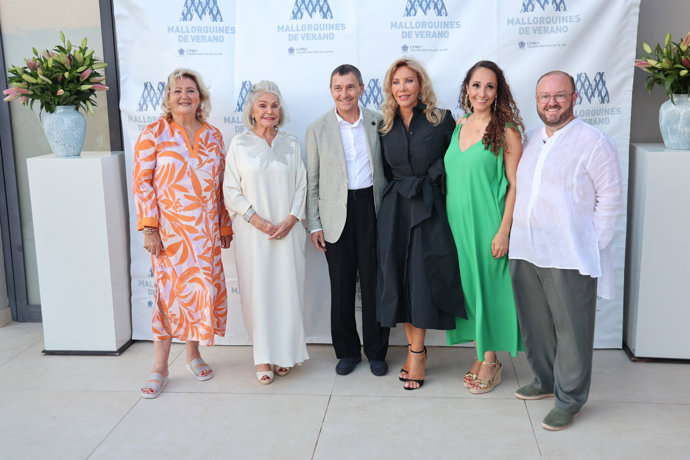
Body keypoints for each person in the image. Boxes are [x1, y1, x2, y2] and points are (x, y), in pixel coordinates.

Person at [509, 70, 624, 430]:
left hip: (569, 254)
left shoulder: (594, 142)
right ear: (537, 100)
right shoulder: (529, 139)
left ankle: (570, 399)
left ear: (574, 98)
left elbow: (611, 198)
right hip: (526, 248)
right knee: (535, 324)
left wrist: (591, 244)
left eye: (559, 95)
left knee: (572, 329)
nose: (552, 102)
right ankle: (544, 380)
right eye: (544, 96)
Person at [133, 68, 232, 399]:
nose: (184, 96)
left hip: (204, 234)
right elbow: (142, 184)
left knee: (198, 292)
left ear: (200, 97)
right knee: (166, 297)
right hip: (169, 236)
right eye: (177, 91)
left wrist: (224, 225)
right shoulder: (153, 134)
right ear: (168, 97)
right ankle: (160, 367)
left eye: (190, 90)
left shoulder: (214, 136)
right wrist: (150, 228)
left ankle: (193, 355)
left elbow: (220, 185)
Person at [377, 58, 466, 390]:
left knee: (421, 281)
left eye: (409, 81)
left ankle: (416, 353)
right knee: (399, 281)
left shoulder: (442, 119)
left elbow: (454, 161)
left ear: (420, 85)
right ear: (390, 88)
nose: (402, 88)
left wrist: (431, 179)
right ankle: (415, 349)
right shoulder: (384, 126)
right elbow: (383, 171)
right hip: (396, 212)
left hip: (428, 208)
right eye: (396, 82)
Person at [444, 61, 525, 394]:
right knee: (470, 290)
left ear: (498, 91)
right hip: (457, 225)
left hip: (488, 222)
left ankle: (490, 361)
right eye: (476, 85)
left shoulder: (506, 130)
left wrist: (504, 231)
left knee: (488, 290)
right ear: (467, 88)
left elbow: (516, 184)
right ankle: (480, 354)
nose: (482, 92)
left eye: (489, 86)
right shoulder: (460, 123)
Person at [305, 64, 390, 377]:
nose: (345, 94)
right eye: (338, 88)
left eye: (350, 87)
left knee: (374, 284)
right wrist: (315, 224)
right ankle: (347, 352)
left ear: (361, 88)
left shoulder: (379, 122)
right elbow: (313, 181)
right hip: (335, 215)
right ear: (331, 91)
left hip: (372, 209)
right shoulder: (317, 129)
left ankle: (377, 352)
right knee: (341, 287)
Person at [224, 80, 309, 385]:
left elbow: (301, 185)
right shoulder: (239, 144)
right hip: (253, 233)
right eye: (263, 105)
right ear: (252, 110)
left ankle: (285, 353)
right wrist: (256, 220)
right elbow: (230, 190)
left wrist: (291, 219)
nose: (269, 111)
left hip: (288, 231)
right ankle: (262, 356)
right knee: (257, 292)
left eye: (274, 105)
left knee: (286, 290)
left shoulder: (291, 144)